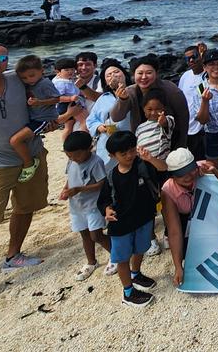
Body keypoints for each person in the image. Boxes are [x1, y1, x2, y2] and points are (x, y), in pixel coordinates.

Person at [0, 43, 48, 271]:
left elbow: (43, 100)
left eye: (2, 58)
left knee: (26, 207)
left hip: (32, 154)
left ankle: (13, 255)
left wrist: (51, 120)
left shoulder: (18, 79)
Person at [96, 131, 163, 307]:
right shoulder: (111, 177)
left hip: (143, 218)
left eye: (132, 150)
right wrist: (107, 210)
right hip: (121, 225)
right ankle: (128, 292)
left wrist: (151, 159)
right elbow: (103, 200)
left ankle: (136, 274)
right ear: (112, 155)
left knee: (140, 249)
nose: (129, 156)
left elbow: (163, 169)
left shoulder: (143, 166)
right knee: (122, 258)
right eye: (123, 153)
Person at [162, 147, 218, 288]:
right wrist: (178, 266)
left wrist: (214, 172)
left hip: (208, 214)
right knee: (191, 256)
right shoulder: (168, 190)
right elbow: (175, 231)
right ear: (172, 176)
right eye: (182, 174)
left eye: (190, 170)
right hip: (184, 219)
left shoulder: (203, 167)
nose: (188, 177)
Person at [58, 131, 115, 280]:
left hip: (93, 205)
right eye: (69, 156)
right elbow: (70, 177)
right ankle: (91, 262)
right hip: (76, 206)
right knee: (84, 234)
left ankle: (115, 256)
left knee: (96, 235)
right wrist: (66, 189)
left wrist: (79, 189)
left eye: (76, 155)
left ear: (89, 148)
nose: (73, 159)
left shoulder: (96, 162)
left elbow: (101, 183)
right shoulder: (71, 161)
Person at [9, 55, 72, 182]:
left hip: (43, 119)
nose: (28, 80)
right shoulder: (30, 84)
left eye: (31, 76)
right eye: (24, 78)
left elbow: (56, 98)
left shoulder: (45, 83)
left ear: (42, 71)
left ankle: (29, 164)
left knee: (15, 141)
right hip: (36, 118)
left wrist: (39, 102)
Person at [111, 54, 189, 149]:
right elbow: (116, 117)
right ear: (133, 75)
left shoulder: (171, 90)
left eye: (149, 73)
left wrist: (181, 147)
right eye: (140, 73)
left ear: (156, 73)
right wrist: (123, 100)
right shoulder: (130, 92)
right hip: (142, 145)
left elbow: (183, 120)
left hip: (170, 143)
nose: (144, 77)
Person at [86, 60, 132, 168]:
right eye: (108, 75)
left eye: (116, 72)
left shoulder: (135, 91)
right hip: (108, 140)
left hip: (132, 139)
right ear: (105, 82)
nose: (113, 76)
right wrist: (99, 127)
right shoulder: (103, 98)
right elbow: (91, 120)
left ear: (124, 75)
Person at [177, 46, 206, 160]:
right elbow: (181, 99)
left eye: (194, 57)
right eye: (187, 59)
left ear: (201, 56)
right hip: (189, 128)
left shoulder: (208, 75)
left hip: (206, 127)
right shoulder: (185, 76)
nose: (191, 61)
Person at [52, 57, 87, 139]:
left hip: (70, 102)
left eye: (72, 69)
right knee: (84, 120)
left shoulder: (66, 79)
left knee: (69, 126)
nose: (70, 72)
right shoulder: (60, 82)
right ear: (58, 72)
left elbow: (75, 89)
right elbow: (57, 98)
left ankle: (66, 144)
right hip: (66, 105)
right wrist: (70, 99)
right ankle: (84, 139)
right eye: (66, 70)